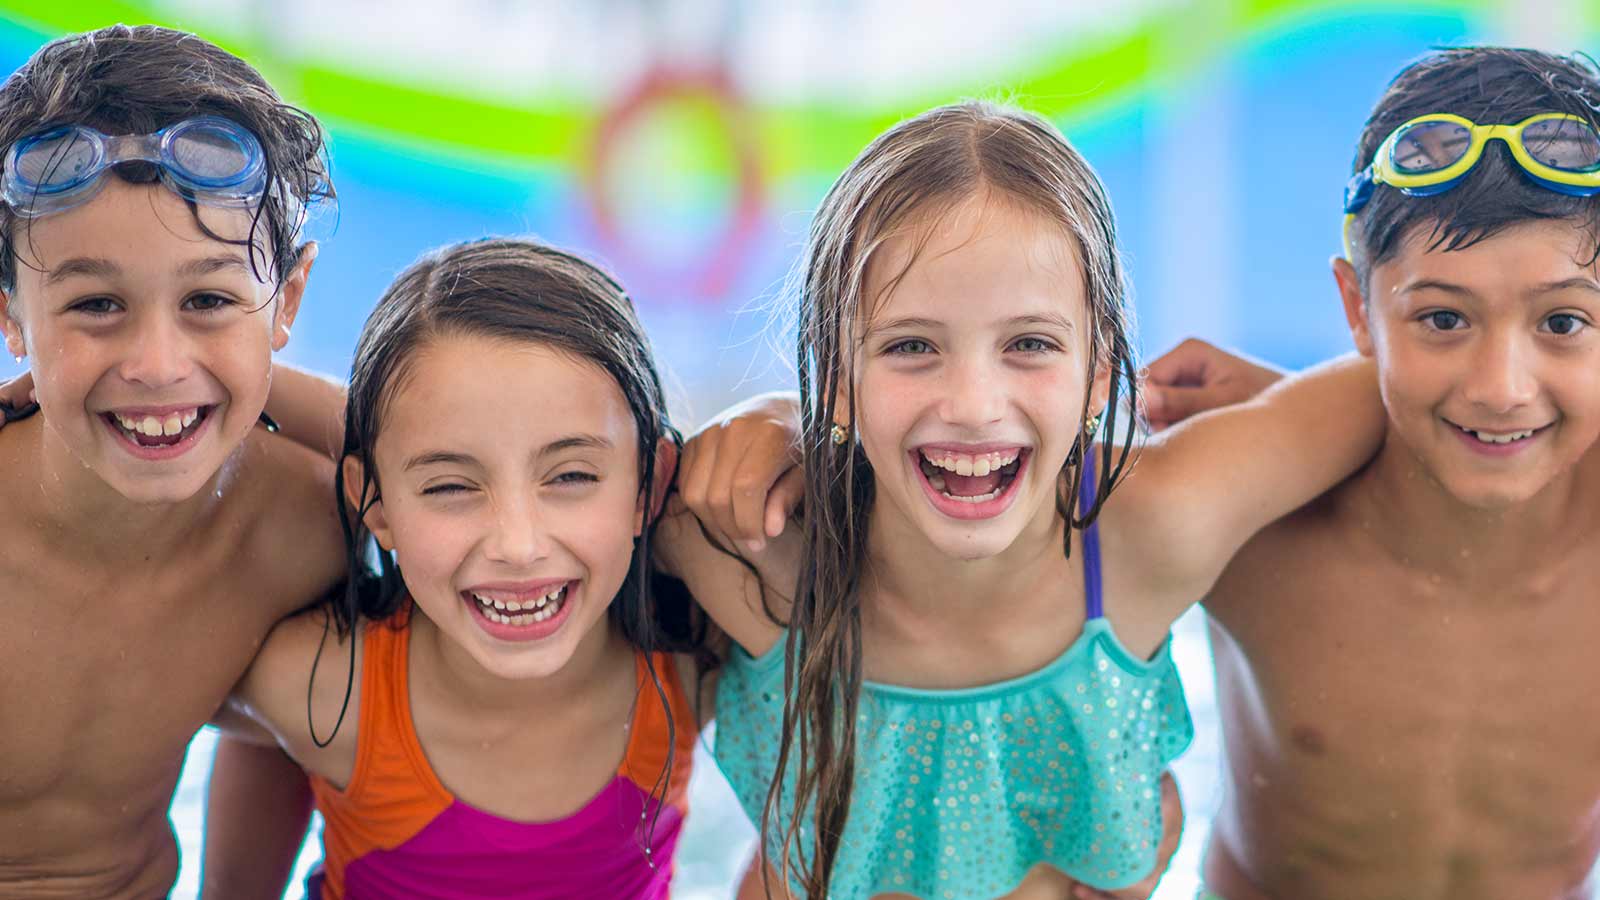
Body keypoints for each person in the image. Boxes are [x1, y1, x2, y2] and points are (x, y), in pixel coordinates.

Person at [662, 99, 1386, 899]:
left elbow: (1400, 385)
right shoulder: (765, 555)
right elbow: (575, 492)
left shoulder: (1149, 530)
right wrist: (778, 419)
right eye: (911, 347)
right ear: (835, 375)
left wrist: (1270, 391)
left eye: (1029, 345)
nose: (974, 404)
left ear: (1100, 375)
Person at [1143, 46, 1600, 900]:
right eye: (1441, 317)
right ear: (1358, 309)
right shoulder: (1252, 512)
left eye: (1564, 321)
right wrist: (823, 439)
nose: (1502, 389)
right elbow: (988, 515)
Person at [214, 238, 709, 899]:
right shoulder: (322, 688)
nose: (517, 544)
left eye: (570, 475)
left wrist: (778, 424)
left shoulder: (693, 658)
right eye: (450, 487)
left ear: (650, 488)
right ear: (376, 506)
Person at [0, 24, 344, 899]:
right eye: (97, 303)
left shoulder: (303, 531)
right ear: (11, 317)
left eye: (209, 298)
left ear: (287, 301)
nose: (156, 363)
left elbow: (448, 461)